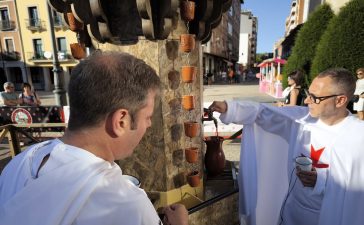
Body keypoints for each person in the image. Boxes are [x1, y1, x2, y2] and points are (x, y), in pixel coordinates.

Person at [0, 52, 189, 225]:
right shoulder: (127, 205)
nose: (148, 125)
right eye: (148, 117)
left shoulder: (17, 165)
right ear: (121, 121)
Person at [209, 68, 364, 225]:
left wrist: (321, 183)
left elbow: (357, 194)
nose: (306, 101)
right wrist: (230, 108)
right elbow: (265, 113)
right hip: (291, 211)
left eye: (315, 97)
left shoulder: (357, 138)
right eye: (308, 94)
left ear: (340, 100)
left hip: (325, 217)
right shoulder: (303, 119)